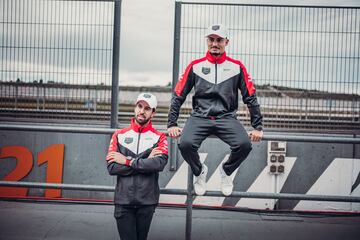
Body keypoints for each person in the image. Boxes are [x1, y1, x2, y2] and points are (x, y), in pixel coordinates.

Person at [167, 24, 263, 197]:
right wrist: (171, 123)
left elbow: (250, 96)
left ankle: (226, 171)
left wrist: (257, 127)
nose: (215, 43)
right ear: (207, 41)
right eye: (211, 39)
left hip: (226, 118)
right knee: (185, 144)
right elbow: (178, 95)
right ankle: (199, 171)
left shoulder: (237, 67)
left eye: (219, 40)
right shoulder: (195, 66)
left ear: (227, 42)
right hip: (199, 117)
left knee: (244, 145)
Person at [106, 93, 168, 240]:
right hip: (123, 201)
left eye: (147, 108)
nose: (142, 111)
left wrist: (127, 161)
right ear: (135, 108)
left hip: (147, 201)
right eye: (139, 106)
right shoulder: (119, 135)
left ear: (153, 113)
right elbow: (112, 167)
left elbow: (158, 164)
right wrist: (145, 161)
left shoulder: (159, 137)